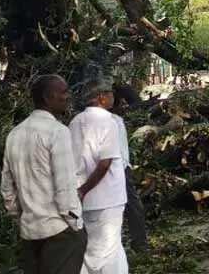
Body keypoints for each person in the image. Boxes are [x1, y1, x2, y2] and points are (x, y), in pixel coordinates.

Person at [1, 74, 87, 274]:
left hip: (30, 233)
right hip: (60, 231)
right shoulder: (58, 132)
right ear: (49, 97)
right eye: (64, 92)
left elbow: (7, 186)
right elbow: (64, 188)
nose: (68, 96)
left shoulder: (14, 134)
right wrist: (76, 224)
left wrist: (20, 216)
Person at [69, 79, 129, 274]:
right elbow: (105, 163)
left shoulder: (75, 122)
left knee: (94, 247)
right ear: (101, 98)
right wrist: (84, 189)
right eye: (110, 93)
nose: (114, 97)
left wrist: (79, 191)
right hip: (107, 197)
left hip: (85, 200)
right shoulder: (107, 121)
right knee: (108, 252)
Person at [111, 103, 148, 253]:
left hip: (117, 167)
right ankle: (137, 243)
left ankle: (139, 243)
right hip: (120, 166)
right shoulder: (116, 120)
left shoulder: (114, 121)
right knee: (129, 204)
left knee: (130, 204)